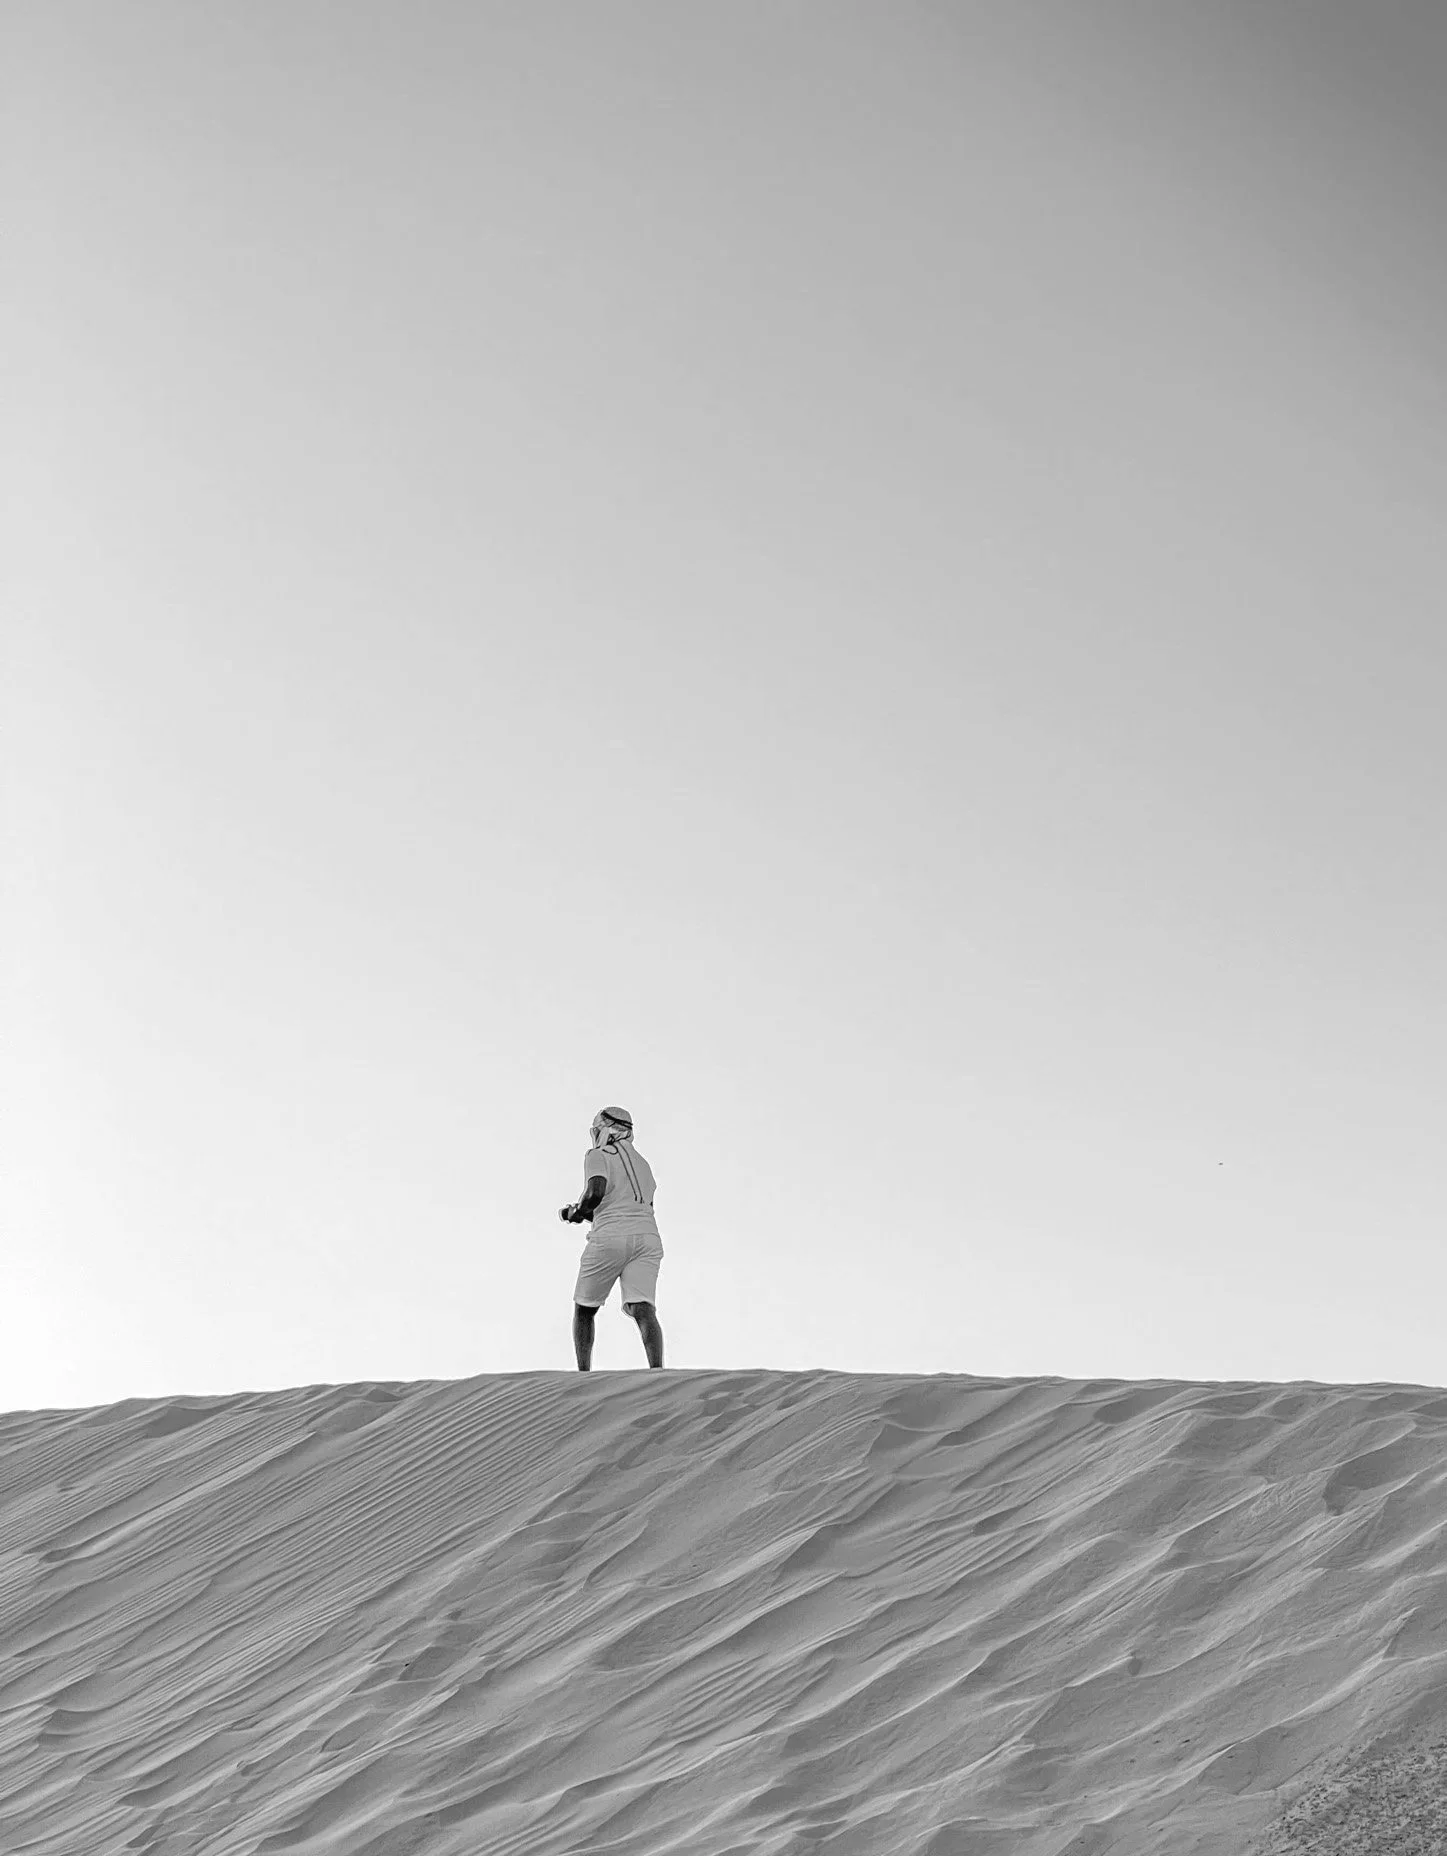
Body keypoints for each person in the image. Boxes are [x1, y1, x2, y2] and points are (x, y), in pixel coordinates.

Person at [559, 1106, 665, 1370]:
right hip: (648, 1237)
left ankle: (583, 1373)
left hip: (610, 1238)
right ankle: (657, 1371)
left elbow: (595, 1194)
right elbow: (629, 1206)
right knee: (643, 1307)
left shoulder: (598, 1155)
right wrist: (586, 1213)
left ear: (603, 1129)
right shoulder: (643, 1164)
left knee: (585, 1307)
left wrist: (576, 1211)